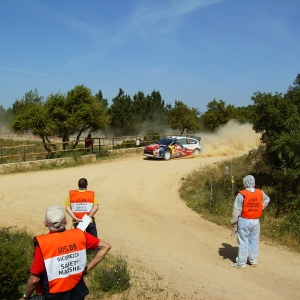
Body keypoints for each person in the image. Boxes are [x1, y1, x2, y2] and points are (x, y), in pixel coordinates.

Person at [19, 206, 111, 300]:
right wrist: (87, 269)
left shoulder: (43, 243)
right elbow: (106, 246)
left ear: (45, 224)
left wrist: (25, 297)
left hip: (53, 294)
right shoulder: (79, 234)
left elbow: (35, 279)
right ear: (66, 221)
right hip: (77, 291)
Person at [230, 175, 270, 268]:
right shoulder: (260, 193)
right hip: (256, 220)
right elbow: (267, 200)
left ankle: (241, 262)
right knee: (254, 241)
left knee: (243, 241)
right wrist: (260, 208)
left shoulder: (242, 194)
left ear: (245, 183)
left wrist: (234, 221)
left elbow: (237, 210)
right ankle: (253, 260)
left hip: (244, 220)